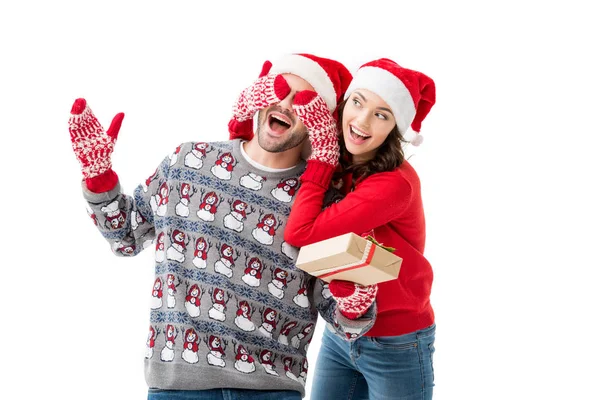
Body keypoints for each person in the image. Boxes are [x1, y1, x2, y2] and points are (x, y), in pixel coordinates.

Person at [68, 53, 378, 400]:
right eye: (281, 90)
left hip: (272, 390)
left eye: (305, 104)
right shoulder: (188, 162)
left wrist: (356, 301)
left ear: (319, 123)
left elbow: (341, 318)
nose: (287, 105)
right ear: (261, 93)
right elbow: (126, 237)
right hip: (177, 387)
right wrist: (98, 176)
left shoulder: (325, 204)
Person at [282, 58, 437, 400]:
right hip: (342, 332)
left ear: (394, 129)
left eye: (382, 114)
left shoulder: (393, 185)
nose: (362, 121)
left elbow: (301, 235)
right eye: (357, 102)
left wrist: (321, 159)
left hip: (397, 341)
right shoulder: (344, 161)